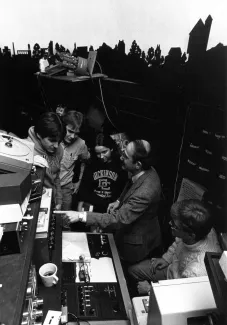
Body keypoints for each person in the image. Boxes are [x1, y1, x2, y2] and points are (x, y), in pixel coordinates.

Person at [55, 139, 162, 265]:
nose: (121, 157)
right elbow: (131, 183)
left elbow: (119, 219)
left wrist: (80, 216)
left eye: (125, 156)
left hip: (135, 241)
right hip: (126, 230)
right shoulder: (142, 171)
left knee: (124, 268)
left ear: (138, 164)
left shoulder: (146, 191)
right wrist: (119, 200)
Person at [128, 199, 221, 295]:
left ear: (191, 235)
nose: (169, 223)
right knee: (133, 270)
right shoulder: (201, 230)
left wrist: (149, 290)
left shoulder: (196, 272)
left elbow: (179, 296)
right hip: (173, 269)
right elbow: (178, 242)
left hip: (177, 286)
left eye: (174, 225)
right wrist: (166, 259)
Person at [77, 133, 128, 213]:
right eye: (98, 153)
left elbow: (124, 189)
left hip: (112, 207)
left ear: (111, 149)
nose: (101, 156)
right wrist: (80, 207)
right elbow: (84, 187)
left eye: (104, 152)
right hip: (93, 207)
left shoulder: (120, 165)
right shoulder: (92, 164)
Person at [27, 112, 64, 210]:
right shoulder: (27, 151)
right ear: (39, 135)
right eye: (52, 140)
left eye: (59, 141)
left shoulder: (59, 149)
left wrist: (59, 200)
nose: (56, 146)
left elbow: (56, 177)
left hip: (53, 201)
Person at [60, 110, 90, 210]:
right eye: (70, 131)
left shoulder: (81, 144)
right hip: (48, 184)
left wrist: (79, 181)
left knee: (64, 219)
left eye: (76, 133)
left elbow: (84, 162)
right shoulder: (53, 137)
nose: (72, 136)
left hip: (65, 187)